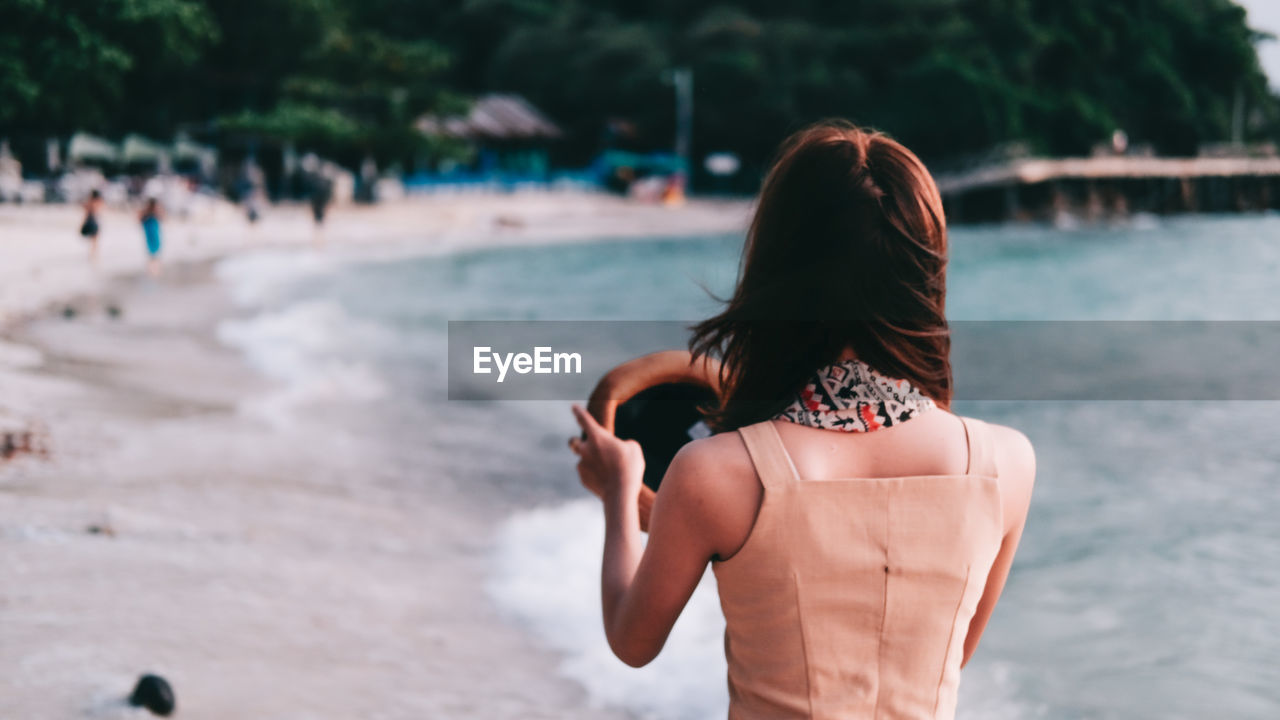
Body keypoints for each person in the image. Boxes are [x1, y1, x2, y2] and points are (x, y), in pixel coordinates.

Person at [569, 121, 1036, 719]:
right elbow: (946, 658)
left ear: (776, 266)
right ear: (925, 274)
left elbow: (632, 642)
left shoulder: (713, 475)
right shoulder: (1006, 464)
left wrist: (618, 492)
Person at [139, 197, 163, 277]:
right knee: (153, 254)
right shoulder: (147, 214)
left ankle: (152, 272)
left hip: (153, 235)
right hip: (151, 235)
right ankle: (152, 272)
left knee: (153, 254)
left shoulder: (154, 214)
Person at [80, 189, 103, 265]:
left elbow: (85, 212)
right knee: (95, 240)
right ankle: (93, 255)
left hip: (90, 221)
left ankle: (92, 255)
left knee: (93, 240)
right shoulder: (98, 202)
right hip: (95, 221)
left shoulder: (89, 203)